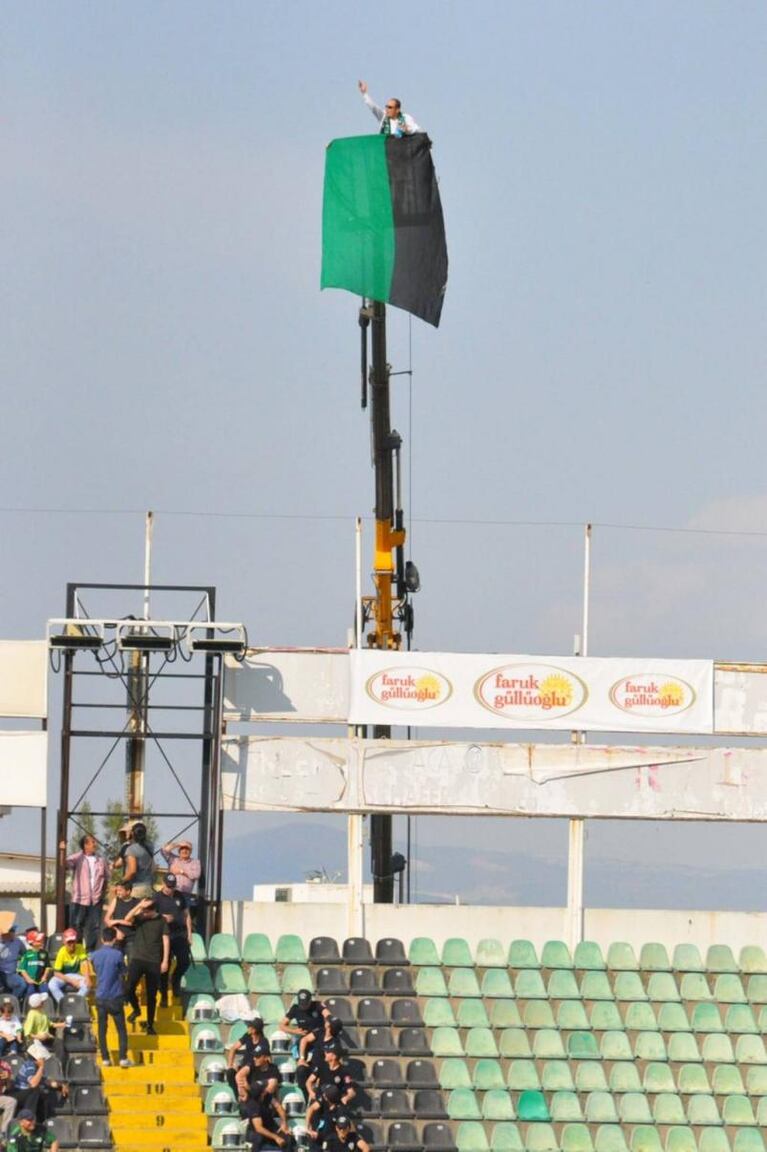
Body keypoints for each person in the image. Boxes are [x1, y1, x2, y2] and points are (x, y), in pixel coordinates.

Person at [124, 898, 169, 1036]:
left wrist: (165, 961)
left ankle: (150, 1024)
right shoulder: (140, 918)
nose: (143, 913)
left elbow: (166, 941)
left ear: (153, 910)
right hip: (137, 958)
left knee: (151, 995)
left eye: (146, 911)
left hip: (153, 961)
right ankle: (136, 1009)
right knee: (128, 988)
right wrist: (139, 905)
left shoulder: (162, 921)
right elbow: (127, 918)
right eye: (142, 910)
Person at [89, 926, 131, 1068]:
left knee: (102, 1028)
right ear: (114, 939)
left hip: (100, 995)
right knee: (121, 1029)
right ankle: (123, 1058)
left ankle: (106, 1058)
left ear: (102, 939)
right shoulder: (118, 954)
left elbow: (94, 968)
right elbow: (124, 972)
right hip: (115, 995)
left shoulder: (94, 955)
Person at [63, 834, 109, 951]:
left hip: (96, 899)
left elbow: (106, 878)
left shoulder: (101, 860)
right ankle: (76, 950)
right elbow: (64, 864)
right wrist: (62, 850)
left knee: (94, 927)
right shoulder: (78, 858)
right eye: (92, 842)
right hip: (79, 899)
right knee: (77, 925)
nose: (95, 844)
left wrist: (102, 894)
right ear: (85, 845)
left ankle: (90, 951)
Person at [153, 874, 191, 1005]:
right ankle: (163, 994)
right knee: (165, 965)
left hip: (179, 934)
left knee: (185, 961)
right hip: (164, 935)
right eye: (168, 886)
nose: (170, 889)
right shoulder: (156, 897)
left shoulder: (179, 896)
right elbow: (150, 914)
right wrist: (163, 917)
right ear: (163, 884)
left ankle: (176, 980)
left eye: (172, 886)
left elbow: (187, 915)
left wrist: (190, 934)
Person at [240, 1081, 293, 1152]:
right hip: (255, 1131)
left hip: (270, 1126)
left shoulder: (267, 1096)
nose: (266, 1089)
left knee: (288, 1138)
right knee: (259, 1139)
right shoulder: (253, 1105)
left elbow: (279, 1107)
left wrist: (284, 1124)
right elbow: (259, 1128)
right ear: (261, 1093)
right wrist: (276, 1137)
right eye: (264, 1088)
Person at [48, 930, 90, 1006]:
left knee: (87, 985)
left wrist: (87, 977)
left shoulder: (80, 947)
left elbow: (85, 963)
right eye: (69, 942)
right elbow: (56, 973)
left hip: (77, 976)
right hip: (64, 976)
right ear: (64, 942)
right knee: (52, 984)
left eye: (73, 941)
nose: (71, 944)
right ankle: (64, 1004)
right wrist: (71, 981)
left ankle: (75, 1003)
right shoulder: (62, 951)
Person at [103, 879, 139, 954]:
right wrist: (117, 930)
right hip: (117, 937)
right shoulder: (116, 900)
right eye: (117, 890)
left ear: (128, 891)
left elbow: (131, 922)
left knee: (131, 962)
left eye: (120, 890)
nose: (118, 892)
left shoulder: (136, 903)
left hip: (131, 938)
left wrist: (115, 921)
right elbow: (106, 919)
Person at [120, 822, 155, 899]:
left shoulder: (131, 849)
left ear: (133, 833)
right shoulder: (150, 846)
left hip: (137, 887)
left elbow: (132, 871)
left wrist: (122, 881)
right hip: (148, 885)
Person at [16, 934, 50, 1001]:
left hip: (41, 981)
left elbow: (47, 967)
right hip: (30, 981)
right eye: (38, 940)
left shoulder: (45, 953)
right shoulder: (26, 954)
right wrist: (28, 979)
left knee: (45, 993)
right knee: (30, 993)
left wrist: (44, 977)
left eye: (41, 940)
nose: (41, 941)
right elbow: (22, 969)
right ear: (32, 942)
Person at [0, 926, 27, 1004]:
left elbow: (25, 955)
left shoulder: (18, 942)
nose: (13, 934)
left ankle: (10, 1002)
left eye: (13, 931)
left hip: (11, 974)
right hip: (0, 972)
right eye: (11, 932)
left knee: (22, 985)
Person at [0, 1058, 17, 1138]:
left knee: (11, 1101)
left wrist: (8, 1079)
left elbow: (9, 1087)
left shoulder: (4, 1065)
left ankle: (4, 1132)